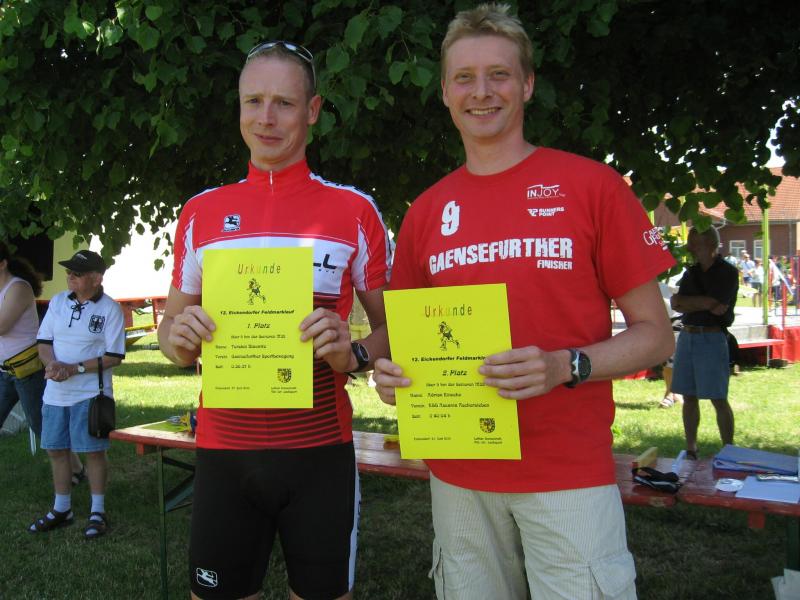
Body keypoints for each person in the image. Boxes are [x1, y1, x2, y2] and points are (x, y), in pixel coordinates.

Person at [372, 5, 675, 599]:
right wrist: (391, 373)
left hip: (567, 474)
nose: (481, 92)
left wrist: (566, 365)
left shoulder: (592, 187)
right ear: (444, 92)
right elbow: (404, 338)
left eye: (499, 75)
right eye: (464, 77)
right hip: (458, 471)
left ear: (528, 84)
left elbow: (656, 335)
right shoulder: (427, 212)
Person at [157, 40, 391, 600]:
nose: (266, 118)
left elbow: (400, 327)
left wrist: (355, 353)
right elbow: (170, 336)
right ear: (238, 106)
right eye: (253, 101)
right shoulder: (201, 212)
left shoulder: (354, 210)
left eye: (284, 103)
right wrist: (180, 339)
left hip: (319, 450)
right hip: (223, 451)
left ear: (312, 110)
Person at [29, 250, 125, 539]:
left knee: (93, 452)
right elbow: (43, 343)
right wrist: (52, 365)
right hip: (55, 393)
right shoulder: (58, 302)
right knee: (56, 450)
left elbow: (114, 356)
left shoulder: (110, 309)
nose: (70, 276)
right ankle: (62, 509)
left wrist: (75, 368)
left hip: (90, 394)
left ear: (96, 279)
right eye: (69, 271)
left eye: (77, 273)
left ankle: (97, 511)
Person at [670, 227, 738, 460]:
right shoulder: (691, 273)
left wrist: (692, 302)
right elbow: (677, 303)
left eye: (695, 243)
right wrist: (705, 303)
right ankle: (691, 448)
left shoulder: (728, 272)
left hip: (712, 337)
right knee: (688, 395)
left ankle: (728, 449)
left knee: (718, 397)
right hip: (687, 335)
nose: (691, 248)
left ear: (710, 244)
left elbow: (716, 304)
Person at [0, 241, 46, 438]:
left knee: (43, 429)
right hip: (5, 370)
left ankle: (72, 460)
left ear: (3, 264)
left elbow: (2, 327)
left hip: (28, 370)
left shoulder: (18, 287)